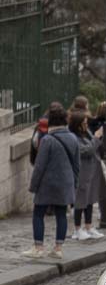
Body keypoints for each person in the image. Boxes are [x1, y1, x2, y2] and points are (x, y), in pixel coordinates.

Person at [23, 102, 80, 260]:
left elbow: (39, 166)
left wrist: (33, 186)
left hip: (47, 184)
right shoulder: (73, 138)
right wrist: (74, 184)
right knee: (61, 214)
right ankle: (58, 248)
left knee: (38, 213)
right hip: (65, 184)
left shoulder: (47, 140)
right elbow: (77, 165)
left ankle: (38, 247)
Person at [68, 110, 106, 240]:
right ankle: (77, 229)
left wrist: (96, 138)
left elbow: (94, 146)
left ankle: (89, 226)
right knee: (80, 201)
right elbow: (87, 150)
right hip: (81, 173)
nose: (86, 125)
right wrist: (97, 138)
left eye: (86, 123)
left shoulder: (86, 133)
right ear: (77, 124)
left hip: (91, 171)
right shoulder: (74, 137)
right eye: (84, 123)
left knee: (90, 200)